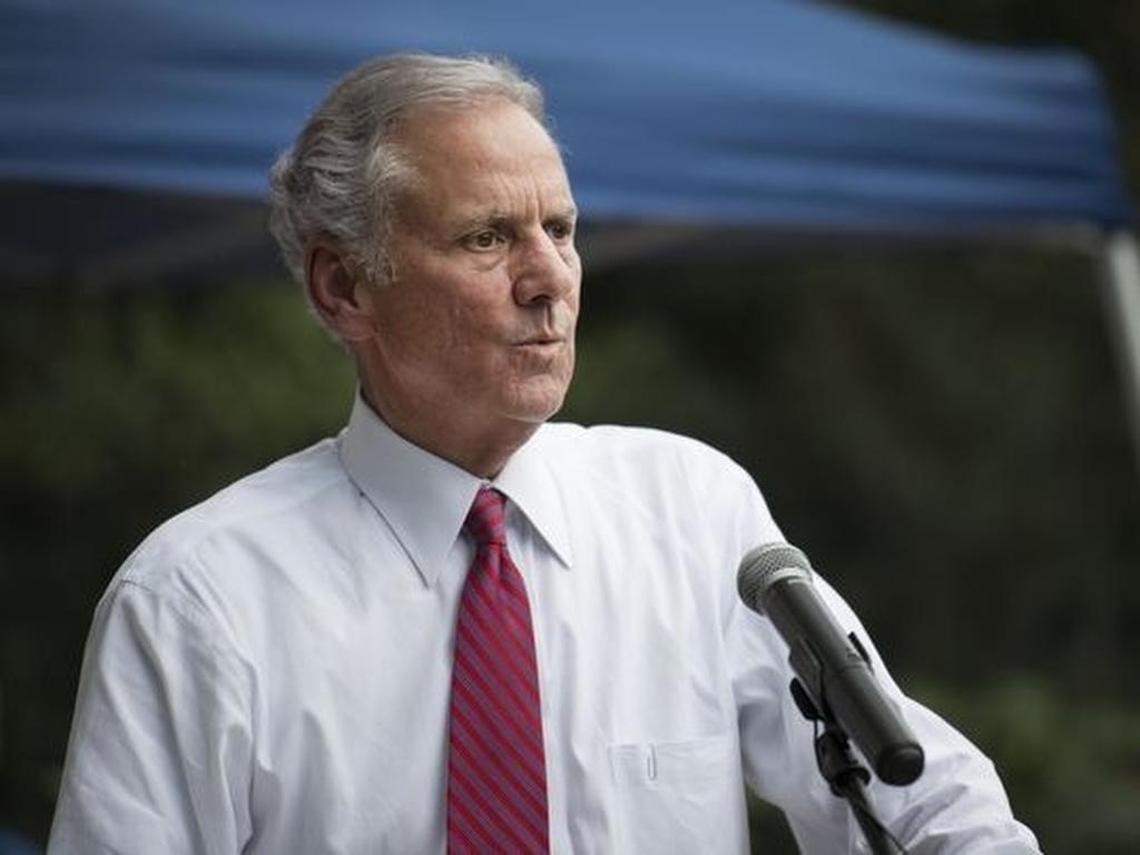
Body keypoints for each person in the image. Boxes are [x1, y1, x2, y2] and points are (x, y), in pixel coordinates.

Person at [48, 53, 1039, 854]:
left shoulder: (691, 510)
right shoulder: (198, 600)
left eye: (559, 229)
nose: (549, 280)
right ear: (344, 287)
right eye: (486, 239)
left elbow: (923, 797)